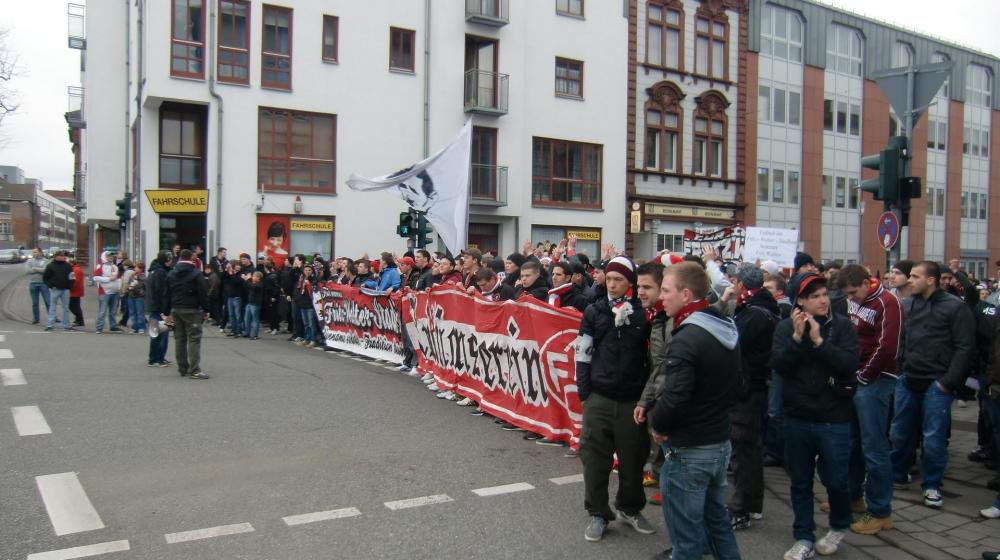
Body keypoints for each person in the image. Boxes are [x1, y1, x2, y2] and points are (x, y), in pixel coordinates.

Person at [649, 260, 742, 560]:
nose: (661, 297)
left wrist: (659, 426)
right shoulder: (725, 327)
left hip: (690, 450)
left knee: (686, 541)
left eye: (666, 290)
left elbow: (675, 397)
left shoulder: (688, 337)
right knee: (717, 526)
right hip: (718, 443)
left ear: (686, 295)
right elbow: (740, 386)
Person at [772, 273, 859, 560]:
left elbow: (848, 364)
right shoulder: (786, 328)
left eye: (824, 294)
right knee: (800, 481)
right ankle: (803, 536)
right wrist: (798, 338)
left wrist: (820, 342)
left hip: (834, 417)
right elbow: (780, 366)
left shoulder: (842, 327)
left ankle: (839, 525)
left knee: (836, 480)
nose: (823, 300)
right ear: (800, 301)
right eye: (814, 296)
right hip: (797, 415)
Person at [574, 256, 654, 542]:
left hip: (633, 399)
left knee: (633, 460)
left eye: (618, 279)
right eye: (608, 279)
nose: (612, 284)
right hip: (600, 396)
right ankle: (597, 512)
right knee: (595, 460)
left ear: (630, 283)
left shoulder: (644, 313)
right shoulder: (594, 311)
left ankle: (630, 507)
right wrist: (585, 392)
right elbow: (582, 353)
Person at [891, 261, 976, 509]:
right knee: (900, 432)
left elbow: (964, 347)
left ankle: (931, 485)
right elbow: (903, 339)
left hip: (937, 384)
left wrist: (947, 383)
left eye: (915, 276)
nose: (909, 280)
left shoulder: (954, 308)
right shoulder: (908, 305)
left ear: (931, 280)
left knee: (933, 439)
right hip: (908, 379)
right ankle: (898, 475)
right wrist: (900, 369)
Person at [834, 264, 903, 535]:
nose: (851, 299)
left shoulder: (888, 303)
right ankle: (853, 497)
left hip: (875, 380)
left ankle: (880, 511)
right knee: (852, 442)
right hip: (857, 376)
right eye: (848, 295)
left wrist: (864, 375)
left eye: (854, 292)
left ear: (867, 282)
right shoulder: (857, 300)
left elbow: (888, 347)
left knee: (874, 447)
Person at [727, 262, 780, 531]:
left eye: (733, 281)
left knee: (743, 450)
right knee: (747, 449)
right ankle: (752, 503)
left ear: (741, 284)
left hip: (748, 390)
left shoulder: (755, 314)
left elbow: (733, 344)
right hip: (751, 386)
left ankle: (742, 508)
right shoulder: (759, 307)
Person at [633, 261, 669, 507]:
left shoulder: (669, 319)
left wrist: (647, 399)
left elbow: (663, 367)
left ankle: (670, 487)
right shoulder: (655, 316)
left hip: (667, 396)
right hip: (656, 391)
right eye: (638, 286)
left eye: (647, 287)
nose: (641, 292)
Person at [162, 249, 210, 379]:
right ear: (191, 258)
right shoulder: (196, 273)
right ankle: (194, 369)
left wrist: (166, 312)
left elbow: (166, 294)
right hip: (192, 309)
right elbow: (202, 292)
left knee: (180, 338)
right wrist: (206, 309)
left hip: (176, 309)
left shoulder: (171, 273)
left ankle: (182, 367)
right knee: (194, 339)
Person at [145, 251, 172, 367]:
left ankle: (158, 357)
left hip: (152, 306)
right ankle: (156, 359)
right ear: (166, 260)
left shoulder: (153, 270)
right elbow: (160, 292)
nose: (171, 262)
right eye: (169, 259)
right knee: (159, 334)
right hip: (157, 308)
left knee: (157, 333)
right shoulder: (160, 272)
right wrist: (163, 311)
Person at [42, 251, 74, 332]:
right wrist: (51, 285)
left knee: (66, 308)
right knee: (52, 307)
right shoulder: (50, 266)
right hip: (55, 289)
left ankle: (66, 325)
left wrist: (70, 285)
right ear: (56, 257)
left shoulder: (68, 266)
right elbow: (45, 278)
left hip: (65, 289)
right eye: (61, 256)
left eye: (63, 256)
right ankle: (50, 325)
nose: (63, 257)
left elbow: (72, 276)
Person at [93, 251, 123, 334]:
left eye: (111, 256)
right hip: (104, 291)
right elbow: (95, 277)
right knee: (102, 310)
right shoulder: (100, 266)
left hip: (114, 291)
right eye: (109, 256)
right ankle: (99, 327)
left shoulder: (114, 266)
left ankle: (113, 326)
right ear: (104, 257)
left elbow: (119, 277)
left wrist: (119, 286)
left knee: (113, 311)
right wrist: (108, 279)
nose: (111, 257)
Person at [295, 264, 319, 348]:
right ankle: (307, 338)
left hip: (310, 304)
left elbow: (316, 291)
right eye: (306, 270)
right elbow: (299, 289)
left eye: (309, 270)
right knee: (305, 323)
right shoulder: (302, 279)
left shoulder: (314, 279)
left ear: (312, 271)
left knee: (311, 323)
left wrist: (309, 284)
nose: (307, 272)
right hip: (303, 304)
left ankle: (313, 340)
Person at [26, 248, 50, 325]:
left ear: (40, 252)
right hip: (33, 284)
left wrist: (34, 268)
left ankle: (52, 317)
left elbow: (46, 271)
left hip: (43, 284)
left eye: (35, 252)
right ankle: (36, 318)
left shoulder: (46, 261)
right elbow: (27, 271)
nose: (33, 253)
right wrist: (39, 270)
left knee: (48, 301)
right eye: (33, 252)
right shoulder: (29, 261)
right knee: (35, 303)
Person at [125, 261, 148, 333]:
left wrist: (137, 282)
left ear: (141, 269)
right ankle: (134, 327)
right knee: (132, 312)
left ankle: (141, 327)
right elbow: (128, 284)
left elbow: (145, 287)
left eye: (136, 267)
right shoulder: (132, 275)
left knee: (139, 312)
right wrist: (129, 287)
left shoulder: (143, 277)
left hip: (139, 297)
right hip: (131, 296)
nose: (135, 268)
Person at [243, 271, 264, 340]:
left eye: (254, 276)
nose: (252, 277)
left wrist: (248, 279)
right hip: (249, 303)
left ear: (258, 278)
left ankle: (255, 335)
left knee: (255, 320)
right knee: (246, 319)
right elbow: (247, 285)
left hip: (255, 304)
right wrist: (246, 279)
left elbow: (251, 286)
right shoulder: (253, 283)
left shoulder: (260, 284)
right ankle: (247, 332)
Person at [68, 257, 85, 327]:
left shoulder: (75, 270)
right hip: (76, 291)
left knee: (73, 306)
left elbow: (75, 281)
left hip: (75, 291)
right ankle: (78, 319)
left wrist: (70, 288)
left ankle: (80, 320)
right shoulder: (76, 269)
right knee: (75, 306)